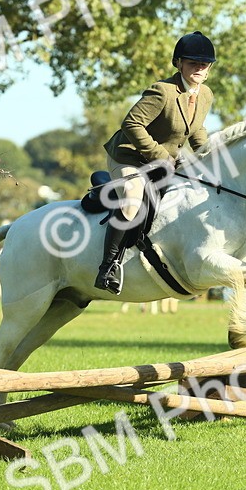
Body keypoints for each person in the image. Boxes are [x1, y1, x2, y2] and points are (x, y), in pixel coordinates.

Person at [96, 30, 216, 294]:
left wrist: (209, 157)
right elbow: (131, 124)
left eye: (204, 64)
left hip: (164, 161)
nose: (199, 68)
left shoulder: (205, 94)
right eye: (193, 63)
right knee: (132, 198)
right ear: (178, 63)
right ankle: (108, 267)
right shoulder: (162, 91)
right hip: (129, 156)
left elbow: (196, 129)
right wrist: (161, 156)